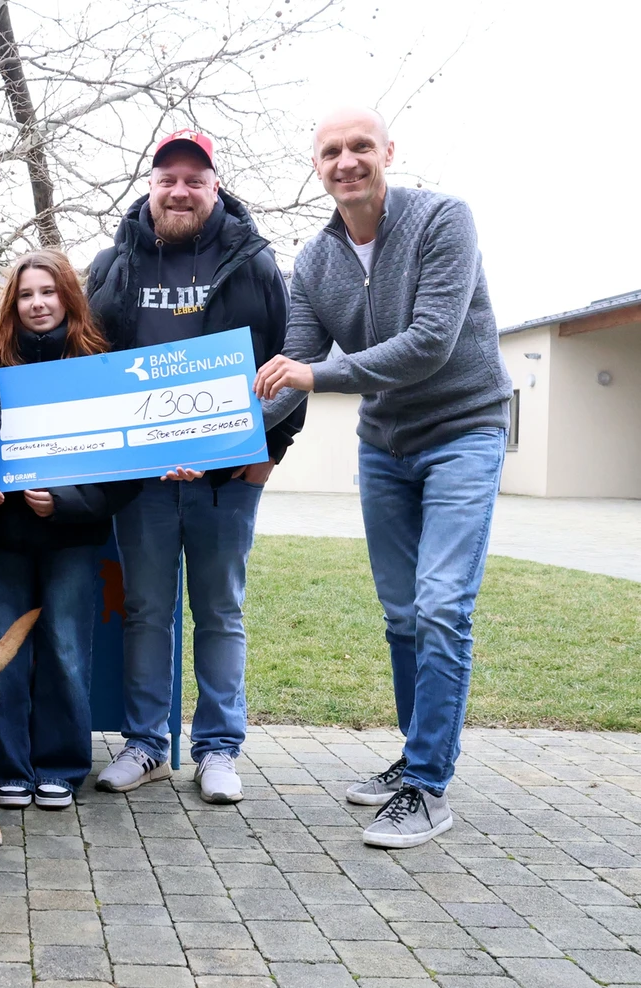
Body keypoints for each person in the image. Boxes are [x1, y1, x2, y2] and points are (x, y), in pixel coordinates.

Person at [255, 107, 511, 849]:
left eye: (359, 146)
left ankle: (429, 788)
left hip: (464, 430)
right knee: (401, 614)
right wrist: (216, 444)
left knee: (439, 607)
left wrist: (318, 371)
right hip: (387, 446)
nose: (346, 161)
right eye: (330, 151)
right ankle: (412, 760)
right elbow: (291, 376)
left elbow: (429, 344)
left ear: (387, 152)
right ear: (317, 167)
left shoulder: (442, 221)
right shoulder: (313, 262)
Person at [86, 128, 305, 802]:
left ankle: (217, 749)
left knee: (218, 611)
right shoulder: (112, 263)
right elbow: (86, 358)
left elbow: (291, 363)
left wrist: (270, 450)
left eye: (193, 180)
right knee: (147, 610)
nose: (179, 191)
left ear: (214, 189)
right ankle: (147, 745)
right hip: (140, 479)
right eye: (166, 179)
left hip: (224, 479)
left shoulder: (255, 265)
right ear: (149, 186)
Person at [0, 250, 140, 810]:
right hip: (3, 536)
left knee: (67, 651)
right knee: (5, 654)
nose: (37, 303)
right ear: (11, 303)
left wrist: (67, 503)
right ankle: (9, 766)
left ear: (68, 297)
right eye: (25, 294)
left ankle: (62, 765)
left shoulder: (100, 364)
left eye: (48, 292)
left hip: (73, 537)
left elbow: (123, 470)